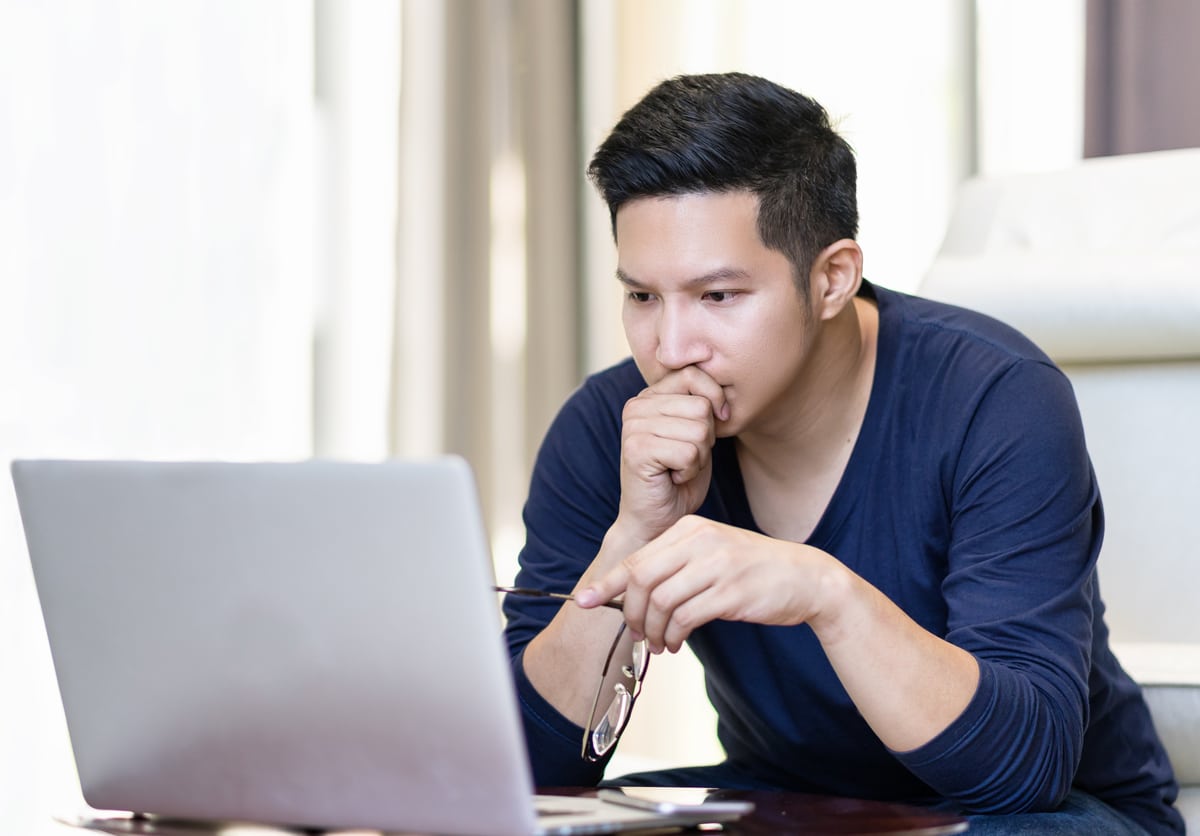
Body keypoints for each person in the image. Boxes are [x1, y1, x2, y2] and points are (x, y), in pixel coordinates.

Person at [500, 72, 1183, 834]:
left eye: (718, 297)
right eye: (642, 297)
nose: (670, 348)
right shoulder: (610, 427)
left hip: (1037, 813)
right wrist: (632, 537)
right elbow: (517, 772)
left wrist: (825, 594)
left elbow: (1020, 770)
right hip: (791, 800)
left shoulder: (997, 399)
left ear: (831, 279)